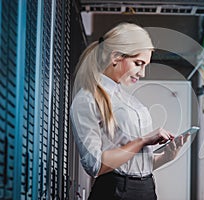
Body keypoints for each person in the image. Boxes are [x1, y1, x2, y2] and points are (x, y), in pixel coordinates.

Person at [70, 22, 189, 200]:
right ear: (116, 57)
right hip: (114, 192)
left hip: (146, 188)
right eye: (138, 63)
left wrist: (167, 156)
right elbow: (95, 165)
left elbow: (134, 166)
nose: (142, 73)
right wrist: (142, 141)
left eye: (145, 65)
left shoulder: (129, 101)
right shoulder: (86, 99)